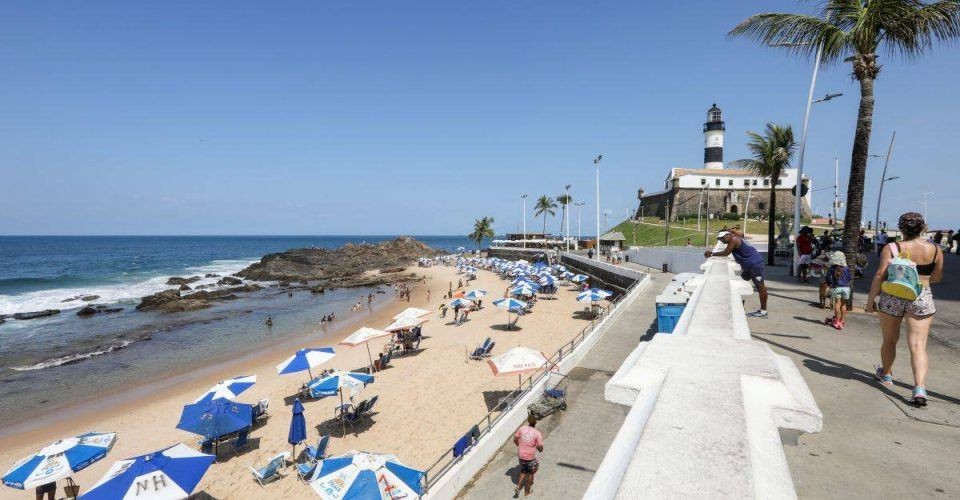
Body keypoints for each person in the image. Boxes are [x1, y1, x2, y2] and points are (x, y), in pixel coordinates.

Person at [867, 212, 944, 407]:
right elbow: (937, 278)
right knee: (918, 345)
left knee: (890, 339)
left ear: (901, 229)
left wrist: (870, 301)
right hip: (921, 294)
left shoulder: (892, 247)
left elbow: (879, 274)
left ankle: (886, 374)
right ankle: (919, 388)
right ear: (923, 227)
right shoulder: (935, 249)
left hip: (893, 294)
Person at [705, 230, 769, 318]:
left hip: (755, 265)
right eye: (720, 239)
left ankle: (763, 312)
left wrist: (712, 253)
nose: (721, 241)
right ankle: (738, 304)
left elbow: (726, 253)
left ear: (728, 236)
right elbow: (741, 233)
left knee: (761, 287)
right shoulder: (736, 237)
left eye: (722, 239)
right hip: (749, 266)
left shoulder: (733, 239)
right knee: (739, 280)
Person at [513, 415, 544, 497]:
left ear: (528, 421)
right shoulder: (537, 434)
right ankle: (527, 492)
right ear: (536, 422)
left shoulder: (522, 429)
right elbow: (541, 449)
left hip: (521, 455)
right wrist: (536, 445)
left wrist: (521, 446)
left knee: (523, 471)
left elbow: (515, 439)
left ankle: (518, 487)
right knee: (531, 473)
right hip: (530, 458)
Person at [823, 251, 852, 330]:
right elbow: (850, 278)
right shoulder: (846, 268)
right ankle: (842, 321)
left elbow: (828, 278)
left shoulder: (832, 268)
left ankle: (837, 321)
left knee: (837, 304)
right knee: (843, 305)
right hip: (846, 288)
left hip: (837, 287)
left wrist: (829, 284)